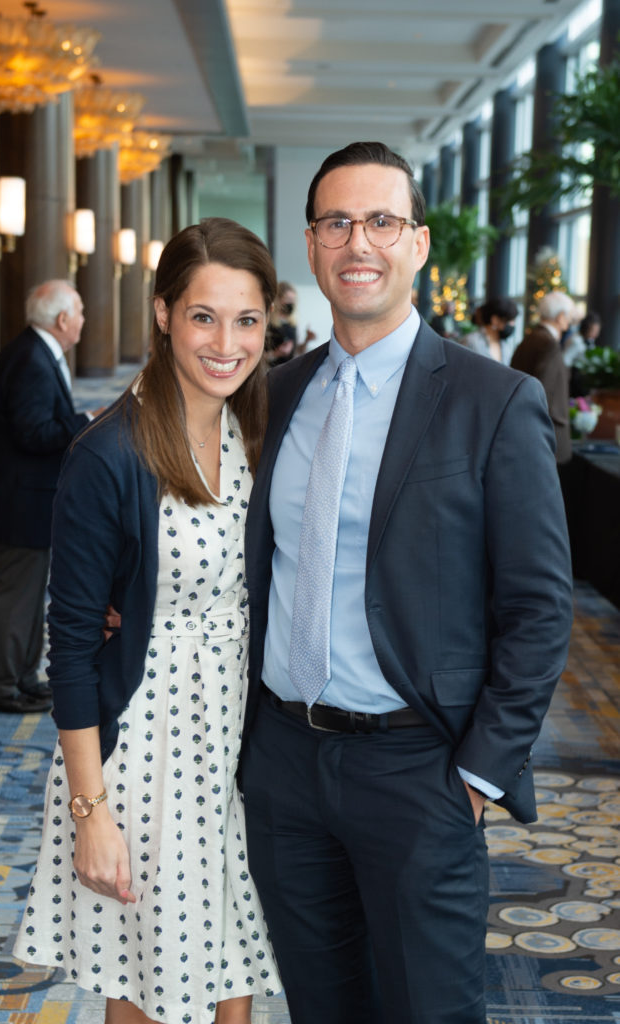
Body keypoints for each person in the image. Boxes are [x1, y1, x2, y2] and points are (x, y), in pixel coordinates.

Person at [239, 142, 573, 1024]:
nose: (360, 242)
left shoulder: (491, 402)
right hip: (283, 765)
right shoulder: (274, 396)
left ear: (418, 245)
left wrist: (478, 773)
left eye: (382, 221)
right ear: (311, 246)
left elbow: (539, 609)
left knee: (430, 1008)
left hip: (419, 770)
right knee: (322, 1006)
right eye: (338, 222)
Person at [12, 218, 282, 1024]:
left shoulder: (256, 432)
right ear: (164, 314)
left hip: (234, 751)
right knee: (150, 994)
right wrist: (91, 818)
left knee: (233, 985)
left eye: (247, 320)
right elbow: (69, 646)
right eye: (204, 316)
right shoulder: (111, 454)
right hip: (145, 761)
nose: (226, 343)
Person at [0, 280, 95, 714]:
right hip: (16, 504)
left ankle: (22, 678)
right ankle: (0, 686)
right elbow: (33, 433)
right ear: (63, 319)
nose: (83, 319)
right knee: (15, 597)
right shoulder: (30, 360)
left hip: (24, 500)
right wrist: (86, 419)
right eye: (79, 311)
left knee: (26, 595)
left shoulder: (35, 352)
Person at [511, 290, 578, 465]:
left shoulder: (529, 339)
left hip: (524, 430)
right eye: (570, 316)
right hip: (546, 435)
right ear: (561, 317)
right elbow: (544, 392)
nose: (570, 321)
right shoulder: (549, 344)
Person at [265, 280, 316, 365]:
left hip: (288, 371)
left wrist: (307, 340)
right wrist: (276, 354)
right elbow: (258, 359)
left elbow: (297, 352)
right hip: (270, 372)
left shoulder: (292, 324)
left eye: (293, 300)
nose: (291, 303)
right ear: (278, 300)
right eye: (288, 299)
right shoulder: (267, 323)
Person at [461, 296, 519, 363]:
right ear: (495, 320)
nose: (512, 325)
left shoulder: (506, 345)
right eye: (509, 321)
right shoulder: (471, 341)